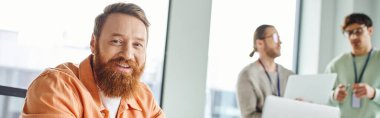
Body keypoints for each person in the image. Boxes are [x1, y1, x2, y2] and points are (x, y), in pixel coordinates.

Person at [21, 3, 164, 118]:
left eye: (137, 45)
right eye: (116, 41)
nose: (127, 54)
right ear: (93, 43)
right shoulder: (56, 86)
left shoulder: (145, 97)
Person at [326, 13, 380, 118]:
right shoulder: (335, 65)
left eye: (358, 31)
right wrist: (334, 95)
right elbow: (320, 99)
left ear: (370, 31)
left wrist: (373, 93)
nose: (354, 37)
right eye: (349, 33)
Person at [236, 24, 294, 118]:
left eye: (278, 38)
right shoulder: (247, 75)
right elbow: (248, 116)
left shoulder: (290, 75)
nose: (279, 42)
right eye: (275, 37)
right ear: (260, 44)